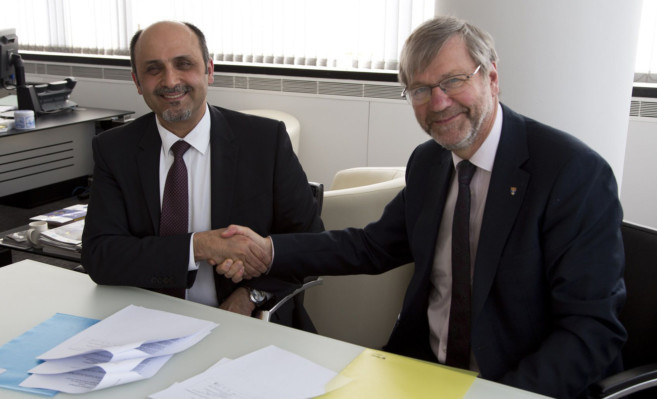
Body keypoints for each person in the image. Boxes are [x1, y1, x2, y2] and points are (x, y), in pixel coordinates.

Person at [222, 15, 627, 398]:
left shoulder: (572, 173)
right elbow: (371, 246)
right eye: (420, 90)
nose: (438, 102)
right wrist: (269, 250)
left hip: (514, 383)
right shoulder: (429, 161)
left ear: (492, 77)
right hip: (421, 371)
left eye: (453, 81)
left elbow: (591, 331)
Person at [81, 21, 323, 331]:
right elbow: (101, 256)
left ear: (209, 69)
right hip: (146, 321)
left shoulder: (265, 142)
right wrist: (199, 246)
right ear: (137, 81)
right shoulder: (114, 149)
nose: (171, 81)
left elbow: (310, 245)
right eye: (154, 69)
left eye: (184, 64)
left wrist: (251, 294)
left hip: (248, 324)